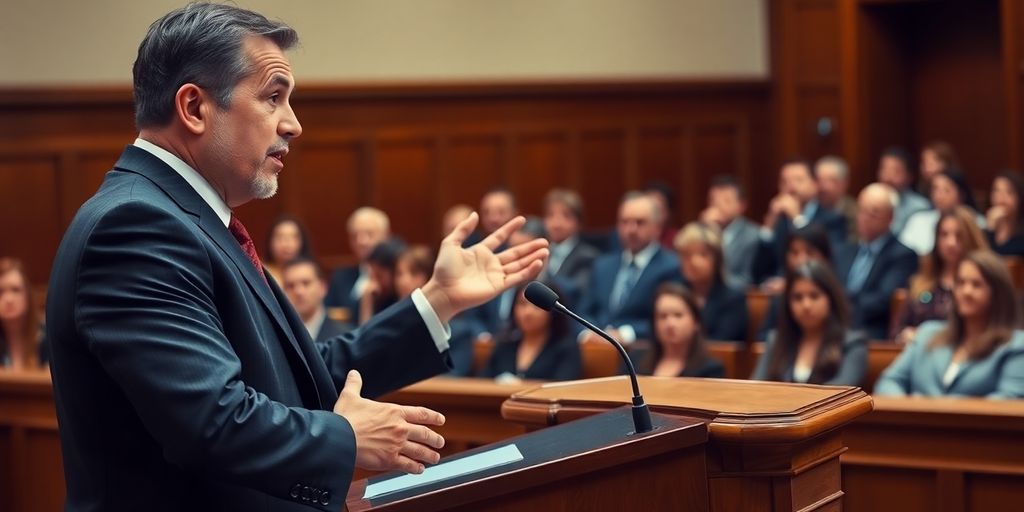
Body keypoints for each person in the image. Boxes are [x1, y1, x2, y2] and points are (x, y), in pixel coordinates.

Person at [45, 5, 549, 511]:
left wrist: (436, 302)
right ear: (195, 108)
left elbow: (297, 374)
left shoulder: (182, 217)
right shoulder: (137, 226)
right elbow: (212, 421)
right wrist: (345, 437)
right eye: (273, 97)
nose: (294, 125)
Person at [875, 250, 1024, 398]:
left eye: (977, 285)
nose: (966, 291)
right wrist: (910, 408)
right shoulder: (927, 333)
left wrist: (936, 409)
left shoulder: (1015, 345)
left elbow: (1009, 399)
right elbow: (889, 381)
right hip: (914, 421)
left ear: (997, 294)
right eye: (961, 283)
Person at [579, 191, 682, 345]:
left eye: (640, 222)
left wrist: (625, 334)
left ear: (657, 227)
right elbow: (583, 311)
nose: (631, 229)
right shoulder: (602, 265)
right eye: (624, 222)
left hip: (641, 353)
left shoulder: (671, 267)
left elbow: (670, 318)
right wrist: (588, 334)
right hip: (596, 350)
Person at [751, 261, 867, 386]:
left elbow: (842, 394)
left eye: (814, 296)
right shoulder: (776, 341)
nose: (806, 305)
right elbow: (756, 388)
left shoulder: (852, 344)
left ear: (831, 299)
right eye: (797, 297)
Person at [891, 207, 989, 344]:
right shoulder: (920, 282)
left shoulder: (984, 284)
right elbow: (897, 330)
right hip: (920, 354)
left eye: (959, 236)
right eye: (944, 235)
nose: (951, 243)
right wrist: (905, 335)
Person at [835, 183, 919, 339]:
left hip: (869, 330)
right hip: (834, 325)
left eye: (873, 213)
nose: (864, 218)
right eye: (861, 211)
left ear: (891, 218)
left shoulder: (903, 255)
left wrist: (838, 307)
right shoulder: (843, 251)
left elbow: (882, 300)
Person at [756, 158, 846, 282]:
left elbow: (831, 263)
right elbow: (757, 273)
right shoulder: (780, 221)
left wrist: (797, 218)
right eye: (784, 182)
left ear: (814, 184)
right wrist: (768, 227)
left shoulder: (832, 219)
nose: (791, 187)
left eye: (798, 180)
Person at [480, 281, 582, 382]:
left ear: (552, 311)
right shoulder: (504, 345)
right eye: (522, 304)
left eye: (536, 306)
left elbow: (562, 388)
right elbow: (482, 384)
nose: (528, 312)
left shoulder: (566, 348)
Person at [626, 283, 725, 378]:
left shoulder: (710, 370)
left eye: (678, 315)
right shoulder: (634, 360)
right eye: (662, 316)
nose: (670, 324)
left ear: (696, 322)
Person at [756, 224, 835, 340]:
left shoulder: (839, 296)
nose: (801, 260)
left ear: (825, 258)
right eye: (794, 253)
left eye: (809, 253)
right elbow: (763, 339)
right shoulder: (780, 299)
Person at [674, 222, 747, 342]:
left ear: (717, 260)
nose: (694, 262)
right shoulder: (673, 296)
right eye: (686, 255)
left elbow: (722, 344)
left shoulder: (733, 298)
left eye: (703, 254)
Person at [899, 170, 983, 255]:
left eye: (946, 190)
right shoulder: (918, 219)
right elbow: (903, 251)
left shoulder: (977, 222)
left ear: (961, 193)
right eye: (935, 189)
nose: (939, 195)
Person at [325, 206, 390, 314]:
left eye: (369, 234)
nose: (361, 241)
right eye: (355, 236)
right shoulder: (340, 277)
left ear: (386, 235)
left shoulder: (398, 277)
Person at [699, 175, 760, 287]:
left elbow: (747, 280)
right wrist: (704, 231)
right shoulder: (701, 230)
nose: (718, 205)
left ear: (742, 205)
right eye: (713, 200)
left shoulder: (753, 236)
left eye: (726, 200)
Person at [540, 189, 599, 295]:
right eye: (550, 215)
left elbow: (576, 290)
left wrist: (544, 272)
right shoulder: (542, 251)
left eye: (566, 216)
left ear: (578, 222)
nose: (556, 223)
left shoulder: (588, 256)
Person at [282, 257, 350, 347]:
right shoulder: (277, 338)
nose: (298, 291)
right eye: (290, 286)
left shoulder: (346, 338)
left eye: (306, 283)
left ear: (323, 287)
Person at [0, 258, 44, 370]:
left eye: (15, 290)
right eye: (1, 292)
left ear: (28, 296)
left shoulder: (47, 338)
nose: (8, 299)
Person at [877, 146, 930, 234]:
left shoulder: (920, 208)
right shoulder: (871, 203)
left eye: (896, 171)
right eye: (884, 169)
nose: (888, 177)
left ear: (909, 176)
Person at [357, 238, 406, 325]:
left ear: (395, 272)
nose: (374, 283)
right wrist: (367, 303)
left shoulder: (406, 300)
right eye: (371, 276)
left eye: (379, 276)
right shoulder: (375, 296)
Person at [815, 156, 858, 244]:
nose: (823, 187)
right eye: (819, 180)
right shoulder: (810, 209)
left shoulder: (855, 213)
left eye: (830, 180)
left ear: (844, 183)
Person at [263, 214, 313, 283]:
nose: (286, 244)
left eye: (293, 237)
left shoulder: (311, 272)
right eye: (279, 237)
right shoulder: (261, 274)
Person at [984, 170, 1024, 256]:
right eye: (996, 191)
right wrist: (990, 228)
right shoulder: (986, 228)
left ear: (1019, 198)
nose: (1001, 197)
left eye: (1009, 192)